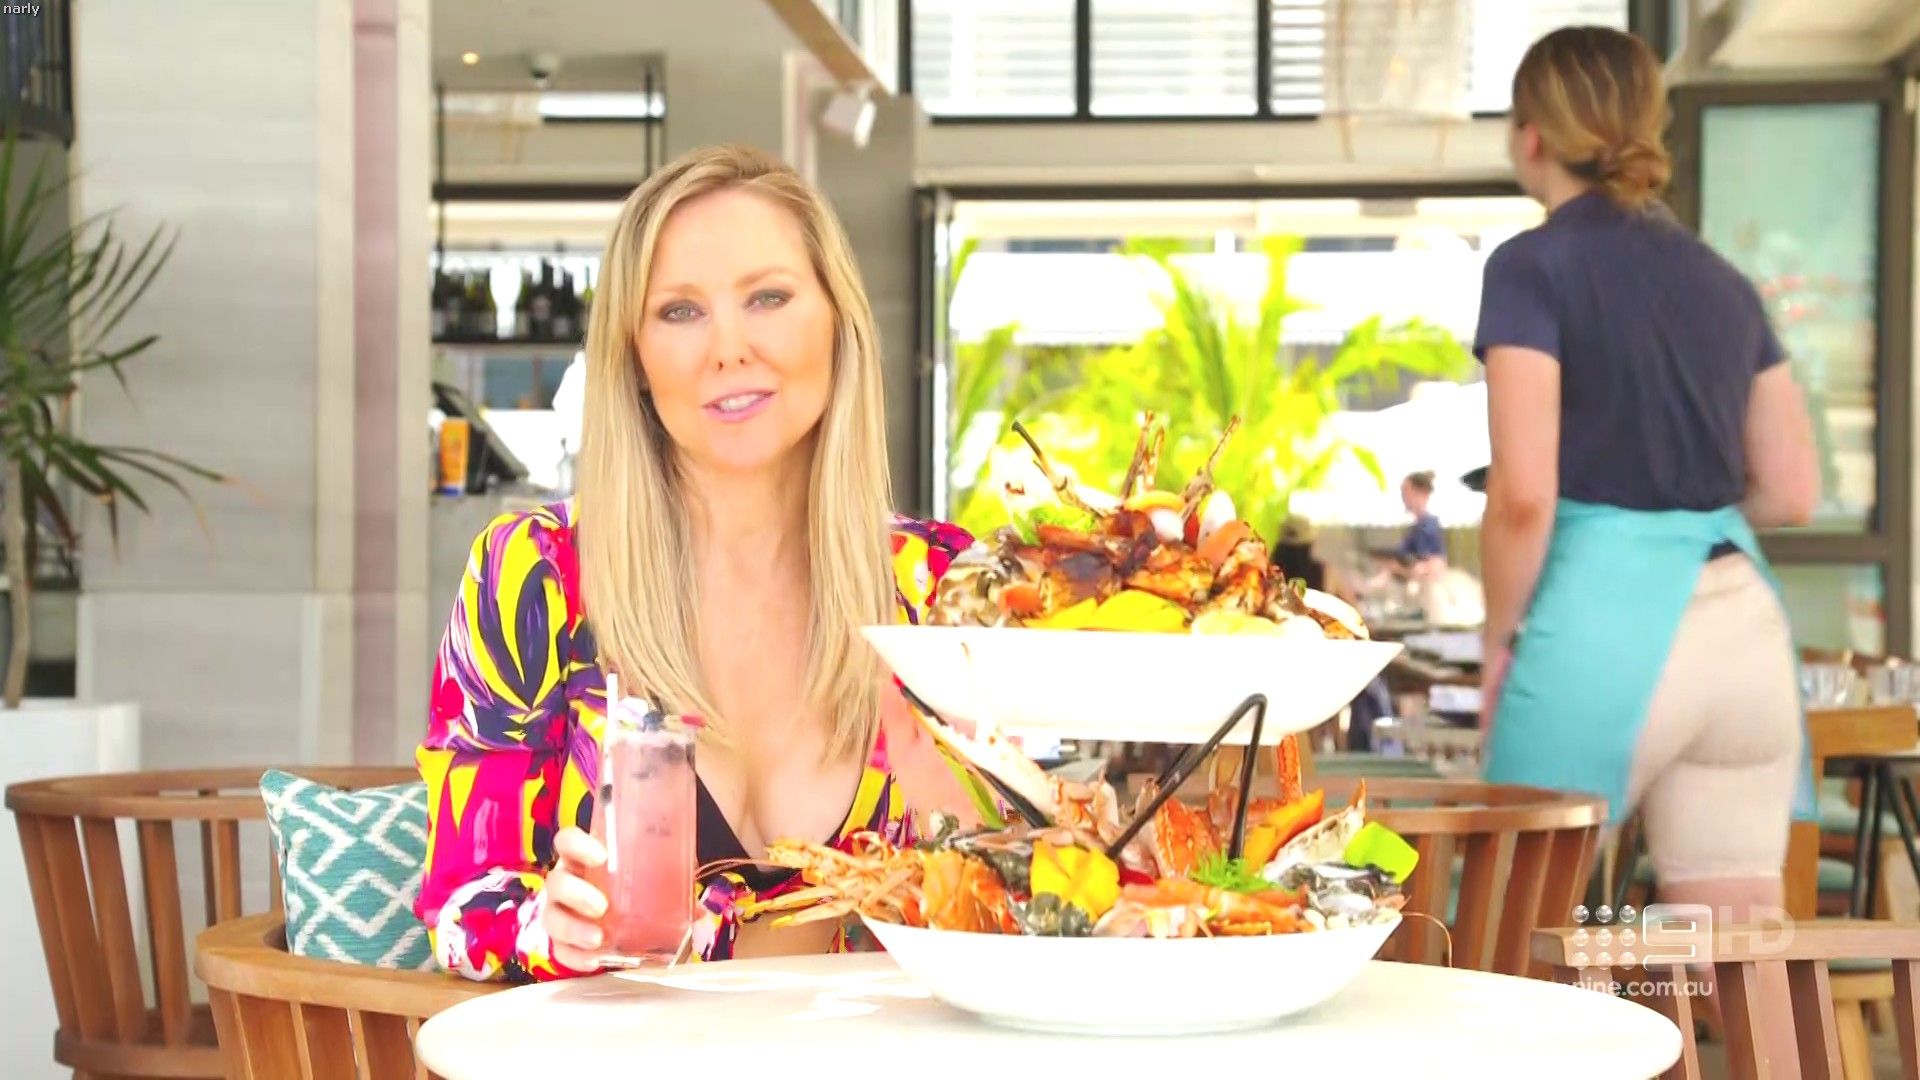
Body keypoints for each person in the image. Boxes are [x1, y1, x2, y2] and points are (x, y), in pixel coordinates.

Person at [413, 144, 981, 983]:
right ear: (635, 358)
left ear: (837, 320)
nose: (728, 349)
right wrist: (547, 925)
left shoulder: (939, 584)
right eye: (680, 311)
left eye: (768, 297)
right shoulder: (536, 574)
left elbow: (1022, 900)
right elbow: (462, 899)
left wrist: (979, 834)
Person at [1475, 27, 1817, 1066]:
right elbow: (1792, 489)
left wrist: (1498, 642)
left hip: (1605, 625)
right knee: (1733, 967)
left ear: (1532, 136)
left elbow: (1523, 496)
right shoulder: (1721, 280)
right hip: (1744, 630)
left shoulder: (1531, 266)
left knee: (1503, 945)